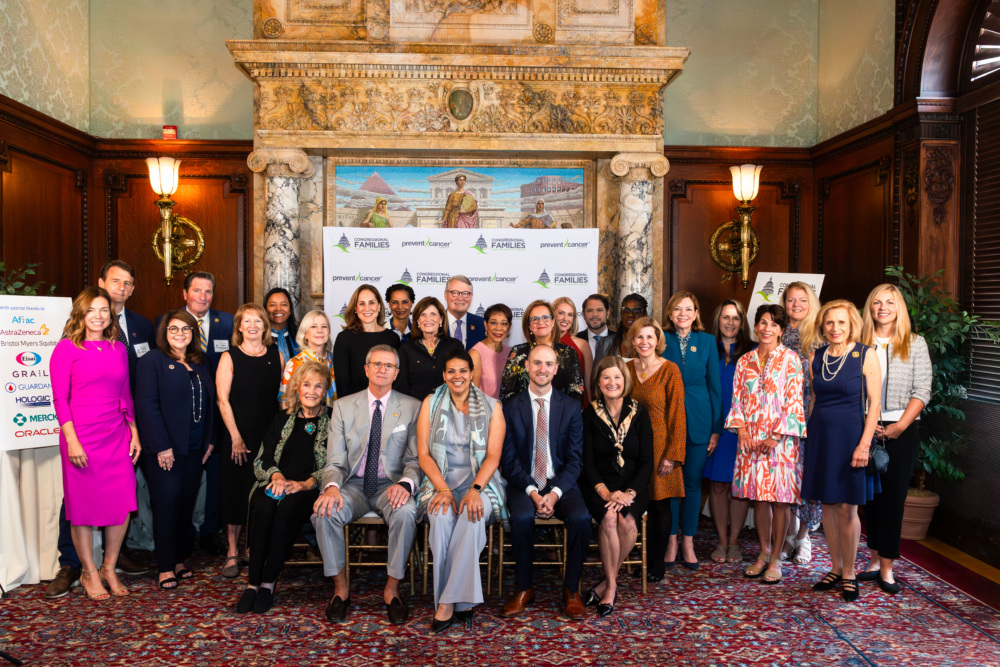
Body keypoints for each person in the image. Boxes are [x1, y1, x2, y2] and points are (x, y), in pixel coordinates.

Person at [45, 261, 154, 600]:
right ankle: (88, 572)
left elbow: (125, 394)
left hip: (116, 434)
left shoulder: (118, 348)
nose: (98, 315)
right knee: (81, 508)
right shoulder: (66, 348)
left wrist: (134, 432)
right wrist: (72, 441)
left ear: (110, 314)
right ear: (81, 313)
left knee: (121, 503)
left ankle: (109, 566)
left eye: (103, 310)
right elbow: (60, 399)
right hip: (81, 436)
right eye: (91, 310)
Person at [313, 345, 422, 625]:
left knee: (406, 512)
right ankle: (340, 589)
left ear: (396, 373)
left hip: (390, 484)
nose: (382, 369)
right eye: (376, 364)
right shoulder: (343, 406)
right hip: (353, 484)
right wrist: (332, 487)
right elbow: (335, 460)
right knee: (324, 512)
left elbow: (415, 459)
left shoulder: (413, 407)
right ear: (366, 369)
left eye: (389, 366)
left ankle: (392, 590)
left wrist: (406, 485)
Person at [416, 349, 507, 632]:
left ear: (472, 373)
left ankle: (446, 602)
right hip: (440, 482)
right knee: (441, 518)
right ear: (444, 375)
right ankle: (463, 602)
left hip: (481, 484)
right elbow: (423, 455)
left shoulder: (492, 407)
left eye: (463, 370)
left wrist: (475, 489)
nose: (458, 376)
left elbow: (493, 456)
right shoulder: (430, 403)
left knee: (472, 515)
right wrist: (442, 488)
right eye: (451, 371)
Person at [499, 344, 590, 620]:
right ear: (527, 366)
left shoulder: (571, 407)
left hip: (559, 482)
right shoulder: (510, 407)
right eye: (537, 363)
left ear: (556, 369)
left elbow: (575, 460)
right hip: (523, 482)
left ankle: (571, 589)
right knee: (521, 518)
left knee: (581, 518)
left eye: (548, 364)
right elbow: (508, 460)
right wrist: (533, 492)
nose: (542, 369)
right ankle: (524, 588)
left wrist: (555, 493)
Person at [236, 361, 331, 614]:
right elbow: (263, 458)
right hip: (277, 483)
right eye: (306, 385)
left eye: (318, 386)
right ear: (297, 388)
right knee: (263, 504)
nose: (311, 391)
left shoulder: (333, 420)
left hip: (309, 487)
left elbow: (337, 462)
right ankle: (252, 583)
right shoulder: (282, 419)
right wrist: (277, 477)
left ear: (325, 391)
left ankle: (268, 583)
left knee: (288, 508)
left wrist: (306, 483)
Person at [803, 300, 882, 602]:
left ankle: (849, 572)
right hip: (821, 438)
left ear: (851, 326)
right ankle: (835, 567)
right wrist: (809, 437)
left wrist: (864, 444)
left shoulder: (866, 354)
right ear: (822, 326)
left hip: (852, 439)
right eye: (829, 323)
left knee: (847, 508)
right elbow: (814, 400)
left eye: (841, 322)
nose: (835, 328)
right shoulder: (816, 356)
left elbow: (874, 404)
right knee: (827, 504)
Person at [857, 284, 933, 593]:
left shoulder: (915, 343)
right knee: (870, 499)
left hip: (902, 428)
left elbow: (922, 390)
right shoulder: (858, 342)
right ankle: (874, 560)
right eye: (877, 302)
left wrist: (899, 426)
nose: (883, 308)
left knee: (892, 499)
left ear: (899, 307)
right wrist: (866, 424)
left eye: (889, 302)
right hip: (864, 428)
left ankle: (887, 567)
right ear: (870, 308)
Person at [725, 305, 806, 586]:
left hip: (780, 442)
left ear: (782, 330)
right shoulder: (744, 360)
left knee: (780, 500)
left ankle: (776, 560)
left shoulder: (791, 359)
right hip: (750, 441)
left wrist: (777, 436)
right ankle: (763, 551)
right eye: (762, 322)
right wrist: (743, 431)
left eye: (773, 324)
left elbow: (795, 401)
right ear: (756, 326)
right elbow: (737, 399)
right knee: (759, 498)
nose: (766, 328)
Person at [135, 310, 215, 589]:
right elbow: (147, 406)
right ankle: (165, 567)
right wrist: (161, 446)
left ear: (193, 333)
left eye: (186, 329)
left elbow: (212, 403)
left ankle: (179, 560)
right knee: (167, 505)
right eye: (174, 329)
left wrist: (210, 440)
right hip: (165, 451)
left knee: (184, 505)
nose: (180, 334)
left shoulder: (200, 362)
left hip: (195, 448)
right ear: (164, 333)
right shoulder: (152, 361)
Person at [581, 356, 653, 616]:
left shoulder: (639, 412)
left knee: (628, 523)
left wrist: (630, 492)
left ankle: (604, 584)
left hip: (633, 485)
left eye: (617, 377)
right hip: (599, 484)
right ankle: (611, 587)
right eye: (606, 377)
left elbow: (647, 461)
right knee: (610, 519)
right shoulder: (589, 415)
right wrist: (606, 492)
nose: (612, 382)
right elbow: (586, 462)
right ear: (598, 383)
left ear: (625, 381)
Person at [215, 303, 282, 578]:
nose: (253, 325)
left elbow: (282, 400)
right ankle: (232, 551)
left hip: (267, 436)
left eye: (258, 321)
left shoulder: (277, 356)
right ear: (239, 327)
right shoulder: (229, 357)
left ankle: (252, 549)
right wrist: (235, 437)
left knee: (261, 493)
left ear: (265, 326)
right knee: (235, 492)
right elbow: (222, 400)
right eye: (247, 321)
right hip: (237, 436)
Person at [661, 291, 722, 570]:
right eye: (677, 309)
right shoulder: (661, 339)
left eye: (688, 309)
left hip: (700, 420)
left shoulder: (707, 341)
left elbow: (715, 387)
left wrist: (716, 429)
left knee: (693, 483)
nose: (682, 314)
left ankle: (688, 541)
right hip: (667, 420)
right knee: (671, 483)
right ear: (670, 313)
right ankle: (671, 541)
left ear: (696, 314)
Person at [625, 317, 686, 581]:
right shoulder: (626, 368)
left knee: (660, 505)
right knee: (635, 503)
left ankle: (657, 563)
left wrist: (672, 455)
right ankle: (638, 558)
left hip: (661, 447)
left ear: (658, 340)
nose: (644, 342)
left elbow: (677, 415)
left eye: (650, 336)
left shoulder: (670, 369)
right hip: (631, 448)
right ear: (632, 341)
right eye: (639, 336)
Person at [178, 271, 233, 554]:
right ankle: (185, 531)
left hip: (219, 410)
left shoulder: (228, 323)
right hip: (183, 412)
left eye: (208, 291)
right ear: (185, 293)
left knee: (216, 474)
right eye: (197, 291)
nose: (202, 297)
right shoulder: (169, 322)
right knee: (185, 474)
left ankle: (211, 530)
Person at [703, 300, 755, 564]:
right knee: (718, 484)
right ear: (718, 320)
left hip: (742, 429)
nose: (730, 323)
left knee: (739, 486)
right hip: (714, 425)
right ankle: (721, 541)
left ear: (742, 321)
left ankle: (734, 542)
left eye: (736, 318)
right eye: (726, 317)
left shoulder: (753, 350)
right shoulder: (706, 347)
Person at [777, 281, 823, 565]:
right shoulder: (777, 333)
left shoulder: (820, 335)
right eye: (791, 300)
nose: (796, 305)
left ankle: (804, 538)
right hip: (780, 415)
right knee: (787, 476)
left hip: (811, 414)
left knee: (809, 476)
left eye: (802, 300)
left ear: (811, 303)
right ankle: (788, 536)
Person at [499, 300, 585, 405]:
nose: (540, 322)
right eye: (535, 319)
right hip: (524, 413)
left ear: (553, 322)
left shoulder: (569, 353)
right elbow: (506, 394)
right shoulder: (518, 352)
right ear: (529, 325)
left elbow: (577, 394)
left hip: (562, 413)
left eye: (545, 317)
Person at [333, 284, 400, 397]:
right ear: (355, 308)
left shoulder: (392, 338)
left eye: (371, 303)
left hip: (387, 403)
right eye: (362, 304)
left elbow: (396, 378)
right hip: (353, 404)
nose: (367, 308)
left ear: (379, 306)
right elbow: (342, 382)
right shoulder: (344, 338)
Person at [395, 297, 465, 401]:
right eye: (423, 315)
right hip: (416, 408)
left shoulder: (454, 346)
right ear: (418, 321)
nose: (428, 319)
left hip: (448, 407)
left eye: (433, 314)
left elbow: (462, 379)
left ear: (441, 319)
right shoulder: (406, 350)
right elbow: (401, 389)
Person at [278, 310, 336, 407]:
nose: (320, 330)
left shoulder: (336, 359)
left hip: (336, 415)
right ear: (305, 333)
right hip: (305, 416)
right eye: (313, 326)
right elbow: (285, 401)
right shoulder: (295, 363)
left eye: (324, 326)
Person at [553, 296, 593, 407]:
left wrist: (591, 408)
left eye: (570, 315)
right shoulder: (544, 344)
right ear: (552, 315)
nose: (566, 318)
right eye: (561, 313)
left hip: (578, 404)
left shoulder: (582, 344)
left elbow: (588, 382)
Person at [470, 303, 513, 400]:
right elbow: (473, 397)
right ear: (486, 325)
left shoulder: (510, 352)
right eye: (493, 323)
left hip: (507, 408)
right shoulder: (476, 354)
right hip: (484, 409)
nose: (498, 328)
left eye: (503, 324)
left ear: (509, 327)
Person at [595, 293, 647, 361]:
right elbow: (598, 368)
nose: (630, 315)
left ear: (645, 314)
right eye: (626, 311)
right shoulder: (606, 343)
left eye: (636, 311)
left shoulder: (650, 343)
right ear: (621, 313)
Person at [443, 275, 486, 351]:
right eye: (454, 293)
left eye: (465, 293)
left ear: (471, 297)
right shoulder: (435, 324)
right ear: (446, 295)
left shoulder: (482, 325)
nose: (460, 298)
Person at [265, 287, 299, 366]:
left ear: (290, 310)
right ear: (265, 310)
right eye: (273, 305)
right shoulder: (258, 338)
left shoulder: (300, 337)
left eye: (284, 304)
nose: (278, 309)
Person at [577, 294, 614, 359]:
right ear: (583, 314)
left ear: (607, 314)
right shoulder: (576, 340)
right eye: (590, 310)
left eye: (599, 310)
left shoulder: (619, 339)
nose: (594, 315)